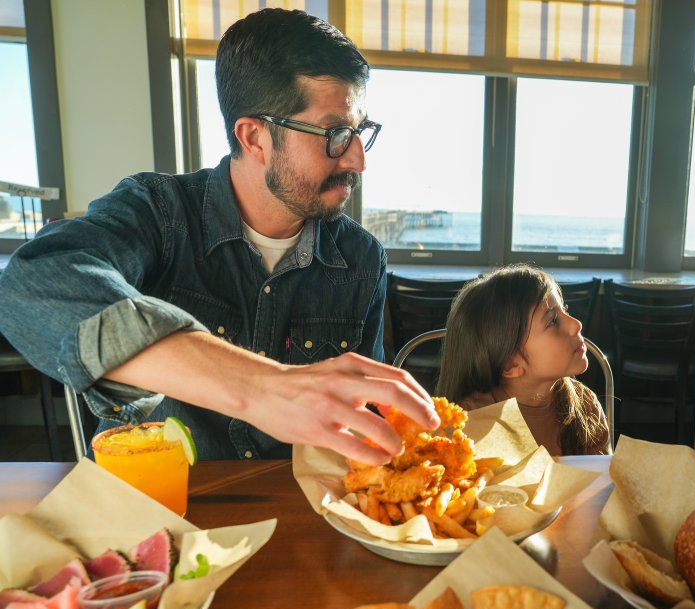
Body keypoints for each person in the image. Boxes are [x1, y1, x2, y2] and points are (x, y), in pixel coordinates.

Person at [0, 8, 438, 462]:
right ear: (253, 138)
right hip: (160, 507)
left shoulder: (361, 258)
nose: (356, 160)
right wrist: (261, 388)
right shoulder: (159, 212)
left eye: (360, 131)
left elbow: (366, 418)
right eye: (335, 134)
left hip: (300, 511)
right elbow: (35, 281)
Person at [436, 265, 611, 456]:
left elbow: (604, 480)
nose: (576, 324)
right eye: (552, 321)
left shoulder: (585, 404)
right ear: (511, 365)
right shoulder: (471, 423)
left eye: (564, 309)